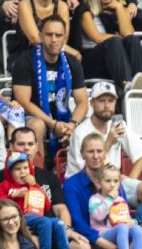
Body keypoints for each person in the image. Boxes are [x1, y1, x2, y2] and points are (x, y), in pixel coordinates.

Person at [0, 125, 89, 249]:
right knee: (35, 242)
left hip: (49, 229)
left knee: (82, 247)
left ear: (36, 147)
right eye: (21, 144)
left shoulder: (49, 177)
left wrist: (67, 230)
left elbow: (61, 209)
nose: (26, 148)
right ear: (11, 147)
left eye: (30, 144)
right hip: (14, 233)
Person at [10, 15, 87, 151]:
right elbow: (24, 102)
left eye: (58, 35)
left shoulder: (73, 62)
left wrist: (72, 125)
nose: (54, 40)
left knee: (88, 126)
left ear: (64, 38)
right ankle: (37, 165)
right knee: (37, 125)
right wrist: (52, 124)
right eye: (49, 35)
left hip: (63, 116)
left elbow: (82, 101)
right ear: (40, 36)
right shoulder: (24, 62)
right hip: (31, 116)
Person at [65, 81, 142, 203]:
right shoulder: (81, 132)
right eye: (101, 101)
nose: (107, 105)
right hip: (86, 186)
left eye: (111, 101)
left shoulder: (118, 125)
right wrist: (108, 142)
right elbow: (88, 172)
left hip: (112, 182)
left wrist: (129, 181)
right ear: (91, 103)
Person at [72, 0, 142, 88]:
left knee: (133, 40)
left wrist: (119, 7)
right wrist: (118, 38)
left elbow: (128, 34)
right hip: (90, 61)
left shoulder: (119, 8)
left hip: (115, 60)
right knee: (113, 41)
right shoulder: (85, 9)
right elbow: (97, 37)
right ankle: (127, 84)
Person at [0, 150, 68, 249]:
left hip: (36, 218)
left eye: (25, 168)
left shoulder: (33, 186)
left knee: (58, 223)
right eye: (17, 169)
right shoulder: (4, 186)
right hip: (18, 219)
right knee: (45, 222)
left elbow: (47, 206)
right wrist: (12, 196)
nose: (23, 172)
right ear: (10, 172)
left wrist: (35, 186)